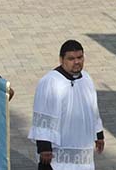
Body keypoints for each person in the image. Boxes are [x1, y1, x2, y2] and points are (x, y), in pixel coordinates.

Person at [28, 40, 105, 170]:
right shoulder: (51, 82)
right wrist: (44, 147)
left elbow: (93, 109)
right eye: (71, 58)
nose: (77, 62)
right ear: (61, 59)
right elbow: (42, 114)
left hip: (82, 148)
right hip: (57, 153)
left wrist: (99, 135)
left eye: (80, 57)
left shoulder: (86, 79)